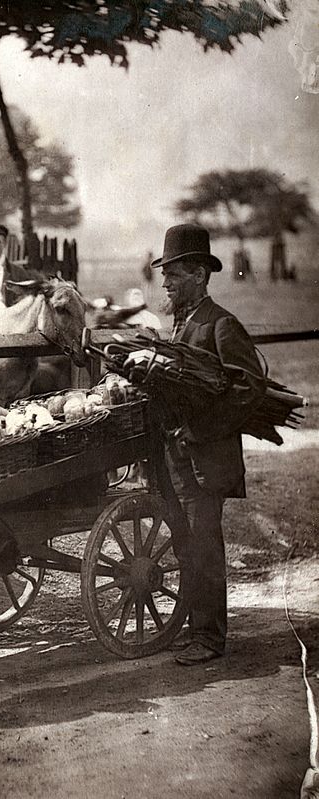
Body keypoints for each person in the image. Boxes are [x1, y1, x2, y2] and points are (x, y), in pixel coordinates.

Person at [148, 224, 265, 666]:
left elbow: (249, 387)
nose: (166, 283)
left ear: (199, 275)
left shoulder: (220, 325)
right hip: (177, 460)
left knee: (204, 548)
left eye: (174, 274)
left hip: (204, 458)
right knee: (187, 546)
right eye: (165, 274)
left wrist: (198, 431)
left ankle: (210, 637)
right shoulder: (181, 326)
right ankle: (198, 629)